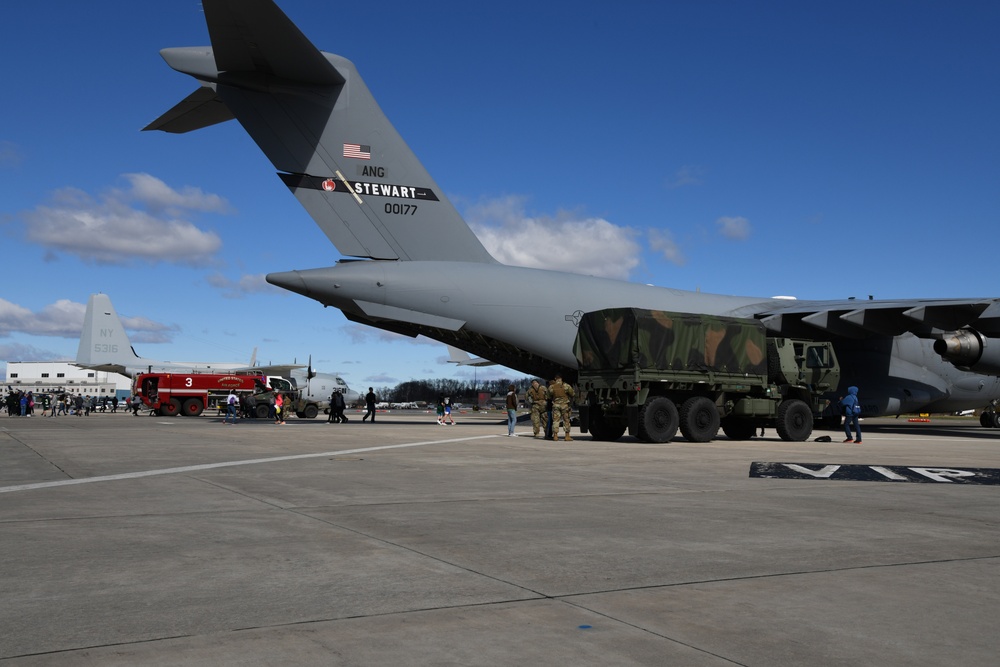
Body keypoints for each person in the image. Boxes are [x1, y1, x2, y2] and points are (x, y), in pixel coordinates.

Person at [548, 374, 575, 441]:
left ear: (555, 378)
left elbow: (548, 396)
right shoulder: (566, 386)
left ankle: (555, 436)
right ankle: (567, 436)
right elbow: (572, 394)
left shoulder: (551, 387)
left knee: (556, 421)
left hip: (556, 405)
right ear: (561, 378)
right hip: (565, 405)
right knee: (566, 420)